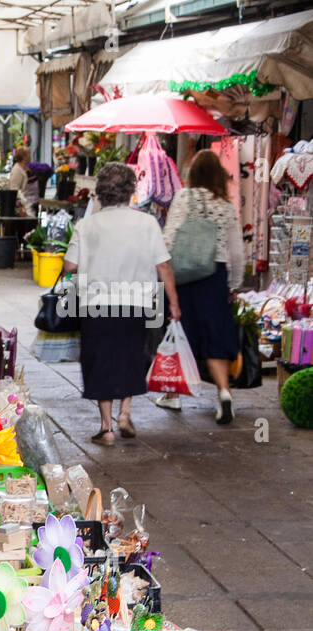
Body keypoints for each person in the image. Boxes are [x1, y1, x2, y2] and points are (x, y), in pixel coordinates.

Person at [62, 162, 181, 446]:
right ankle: (125, 415)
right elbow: (163, 266)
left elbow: (69, 265)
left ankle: (106, 428)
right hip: (137, 303)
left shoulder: (86, 225)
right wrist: (174, 304)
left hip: (96, 304)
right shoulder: (147, 223)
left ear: (100, 192)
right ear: (130, 191)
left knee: (101, 360)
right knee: (130, 356)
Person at [162, 150, 245, 424]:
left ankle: (173, 394)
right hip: (215, 276)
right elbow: (236, 252)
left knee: (181, 332)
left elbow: (169, 236)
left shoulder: (184, 197)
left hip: (185, 275)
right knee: (215, 334)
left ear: (193, 174)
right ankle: (223, 393)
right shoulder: (226, 206)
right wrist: (233, 285)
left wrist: (163, 271)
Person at [7, 146, 30, 213]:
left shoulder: (24, 168)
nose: (30, 156)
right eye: (28, 154)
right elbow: (14, 189)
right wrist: (21, 206)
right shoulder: (17, 170)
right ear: (24, 157)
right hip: (20, 207)